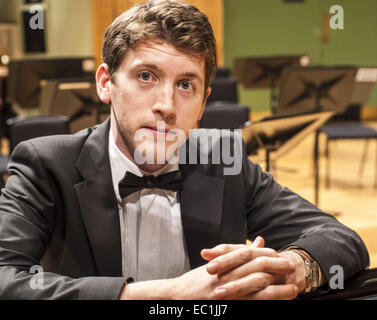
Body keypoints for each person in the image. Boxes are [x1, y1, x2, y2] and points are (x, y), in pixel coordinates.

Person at [0, 0, 369, 300]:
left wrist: (294, 266)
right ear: (105, 83)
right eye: (146, 76)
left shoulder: (224, 160)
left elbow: (342, 240)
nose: (167, 105)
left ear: (205, 101)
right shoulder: (46, 163)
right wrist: (165, 294)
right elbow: (5, 278)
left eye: (186, 85)